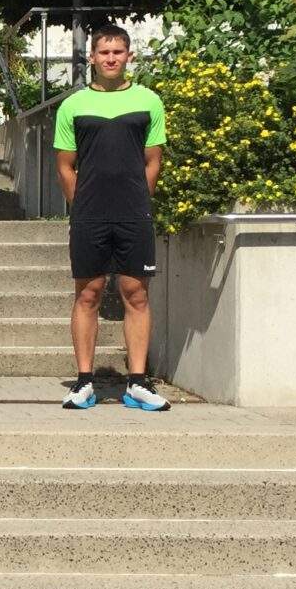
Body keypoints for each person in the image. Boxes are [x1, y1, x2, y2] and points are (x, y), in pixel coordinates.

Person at [53, 22, 169, 412]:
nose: (111, 59)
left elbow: (153, 162)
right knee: (88, 293)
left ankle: (136, 383)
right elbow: (66, 167)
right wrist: (83, 204)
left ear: (129, 56)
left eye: (118, 52)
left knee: (136, 293)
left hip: (133, 213)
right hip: (89, 216)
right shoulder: (73, 105)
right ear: (92, 58)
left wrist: (136, 200)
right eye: (104, 52)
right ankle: (85, 382)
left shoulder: (149, 101)